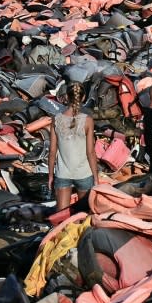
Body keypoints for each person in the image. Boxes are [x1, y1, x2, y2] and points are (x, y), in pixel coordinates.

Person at [48, 82, 99, 211]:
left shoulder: (56, 119)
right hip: (84, 173)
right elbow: (90, 152)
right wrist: (96, 177)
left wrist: (50, 176)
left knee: (61, 217)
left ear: (67, 97)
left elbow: (52, 151)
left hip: (63, 173)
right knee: (83, 215)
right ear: (83, 98)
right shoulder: (87, 120)